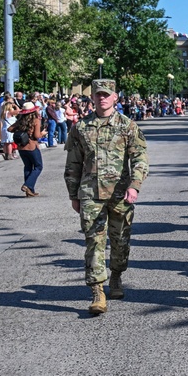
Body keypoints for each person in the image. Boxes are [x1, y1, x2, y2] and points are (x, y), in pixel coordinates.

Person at [63, 79, 150, 316]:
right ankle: (97, 291)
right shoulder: (80, 128)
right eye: (98, 94)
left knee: (120, 241)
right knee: (94, 241)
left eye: (106, 94)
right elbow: (73, 164)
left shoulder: (127, 126)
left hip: (121, 194)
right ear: (92, 98)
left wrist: (135, 185)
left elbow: (140, 158)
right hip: (90, 193)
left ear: (115, 97)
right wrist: (73, 194)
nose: (102, 98)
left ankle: (117, 276)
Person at [9, 102, 46, 197]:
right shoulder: (36, 121)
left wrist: (20, 130)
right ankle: (27, 185)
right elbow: (37, 136)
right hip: (31, 146)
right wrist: (43, 133)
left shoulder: (20, 121)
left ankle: (30, 191)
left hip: (21, 147)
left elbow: (9, 129)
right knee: (38, 166)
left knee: (28, 166)